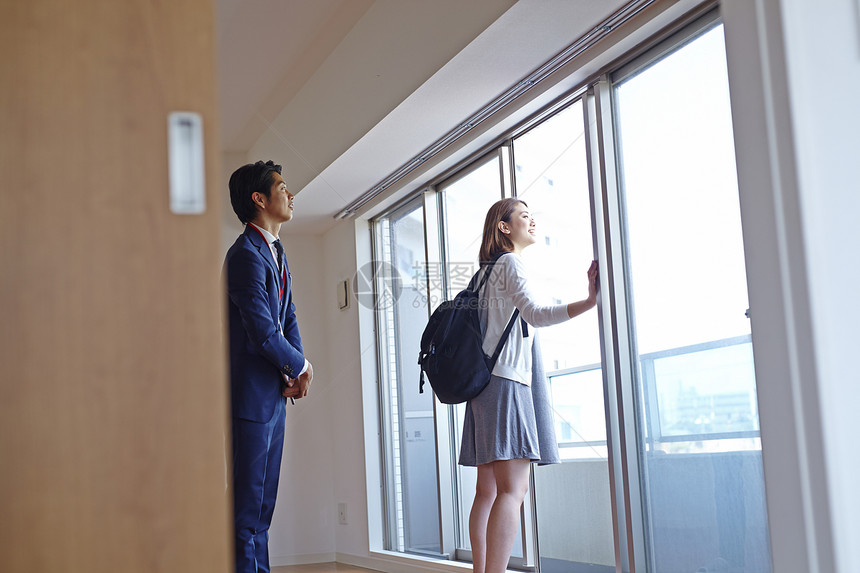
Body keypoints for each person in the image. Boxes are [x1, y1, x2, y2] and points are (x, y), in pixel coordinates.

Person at [460, 198, 598, 573]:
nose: (531, 221)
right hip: (506, 384)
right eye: (524, 216)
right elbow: (535, 314)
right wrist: (589, 302)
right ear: (504, 227)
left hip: (482, 387)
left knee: (487, 490)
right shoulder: (509, 263)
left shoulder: (484, 274)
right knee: (513, 490)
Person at [224, 160, 313, 573]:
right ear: (259, 199)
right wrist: (302, 365)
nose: (290, 194)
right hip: (252, 399)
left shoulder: (274, 252)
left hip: (273, 395)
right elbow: (261, 332)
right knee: (247, 513)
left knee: (263, 509)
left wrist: (297, 368)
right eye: (282, 187)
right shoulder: (245, 255)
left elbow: (287, 316)